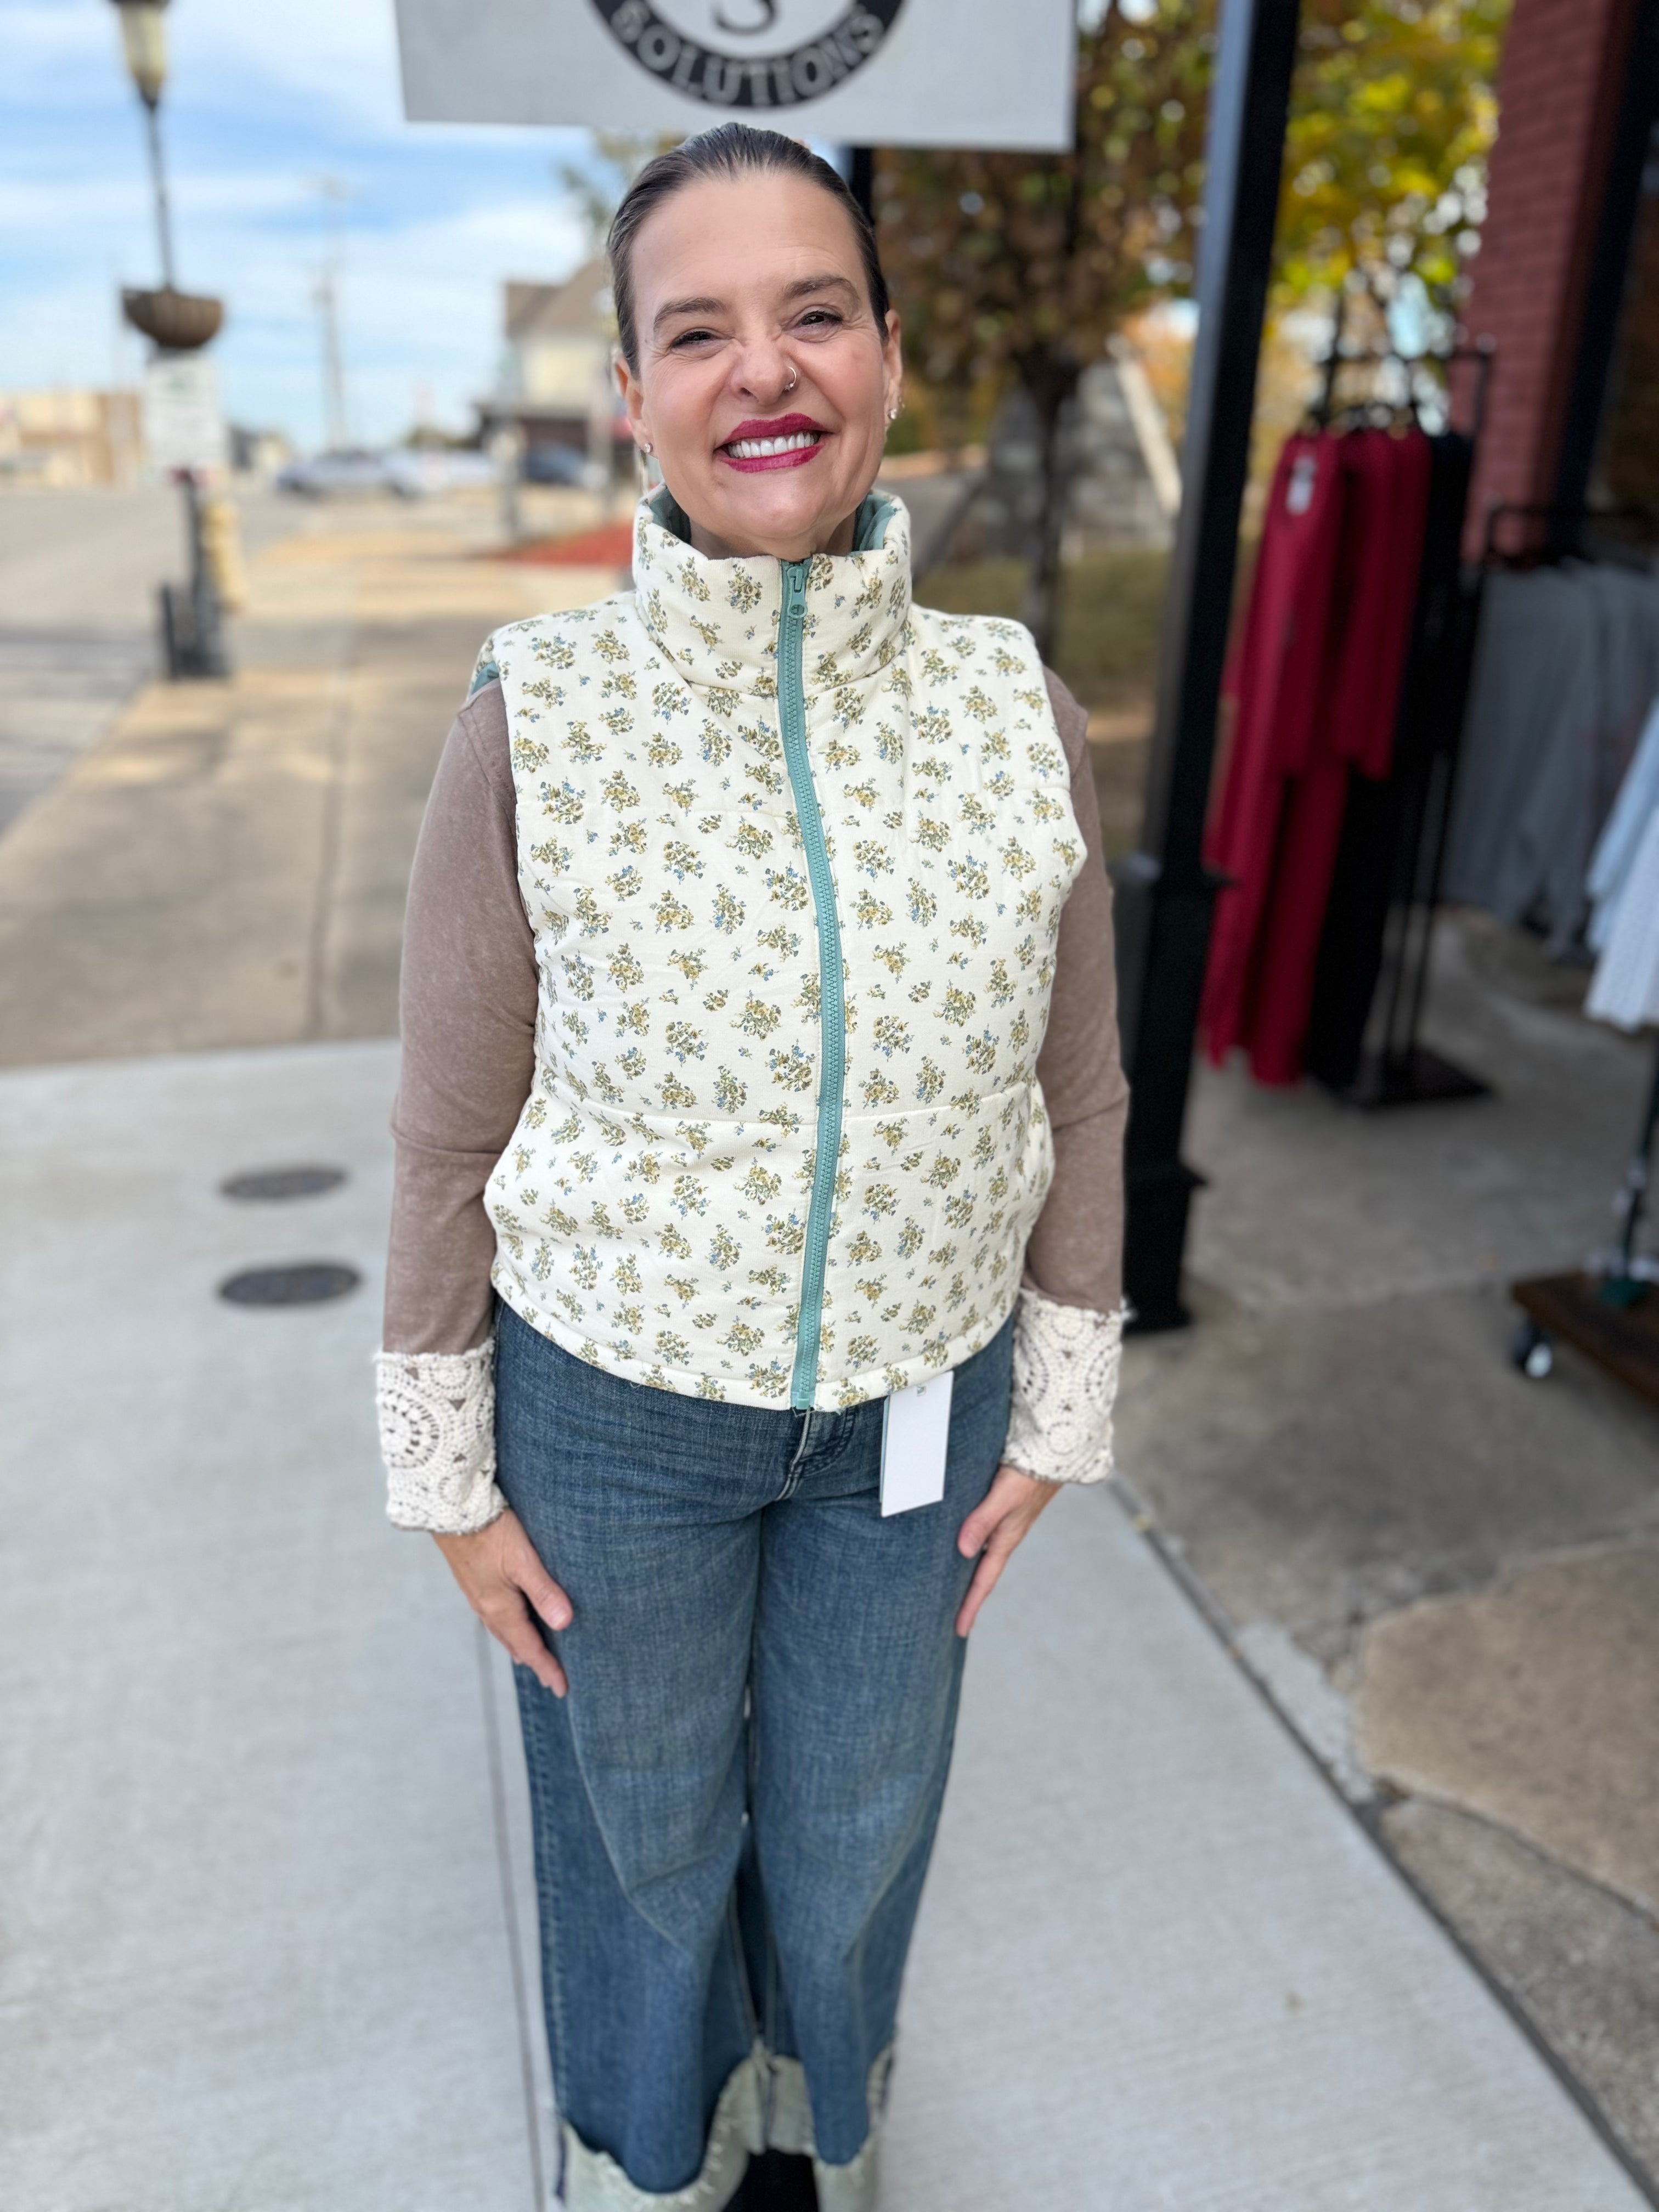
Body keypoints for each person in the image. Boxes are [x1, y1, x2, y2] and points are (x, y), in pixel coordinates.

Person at [375, 123, 1128, 2212]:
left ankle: (827, 2116)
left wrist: (1062, 1399)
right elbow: (448, 1127)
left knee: (860, 1811)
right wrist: (446, 1467)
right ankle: (661, 2150)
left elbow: (1085, 1087)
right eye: (693, 331)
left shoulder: (1011, 706)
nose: (760, 370)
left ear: (890, 355)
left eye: (813, 310)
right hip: (610, 1414)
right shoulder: (537, 714)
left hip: (918, 1400)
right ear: (633, 395)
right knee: (640, 1823)